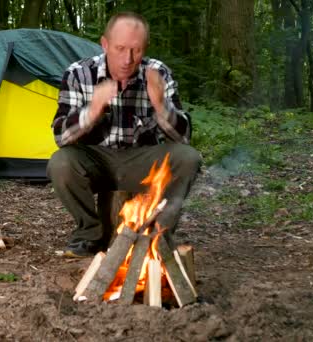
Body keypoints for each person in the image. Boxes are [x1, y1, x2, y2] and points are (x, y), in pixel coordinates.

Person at [47, 12, 202, 258]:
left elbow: (184, 139)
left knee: (188, 157)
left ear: (145, 48)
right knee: (61, 162)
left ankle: (159, 235)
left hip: (142, 161)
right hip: (95, 161)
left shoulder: (157, 72)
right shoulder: (78, 73)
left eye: (136, 50)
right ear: (105, 44)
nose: (128, 59)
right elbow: (61, 138)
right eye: (120, 48)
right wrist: (92, 111)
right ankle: (89, 235)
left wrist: (162, 106)